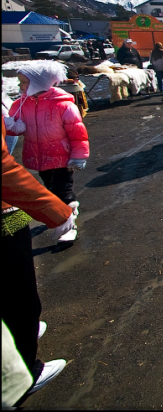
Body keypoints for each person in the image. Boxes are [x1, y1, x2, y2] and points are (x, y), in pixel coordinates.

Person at [2, 118, 75, 403]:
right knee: (18, 297)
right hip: (5, 212)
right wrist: (55, 211)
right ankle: (23, 371)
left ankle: (24, 335)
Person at [6, 61, 88, 243]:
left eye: (24, 82)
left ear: (38, 82)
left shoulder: (63, 105)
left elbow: (77, 133)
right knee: (50, 190)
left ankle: (68, 223)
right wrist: (12, 126)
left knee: (62, 191)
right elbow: (15, 129)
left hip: (62, 158)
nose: (20, 86)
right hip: (39, 157)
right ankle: (64, 211)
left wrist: (78, 155)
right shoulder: (21, 104)